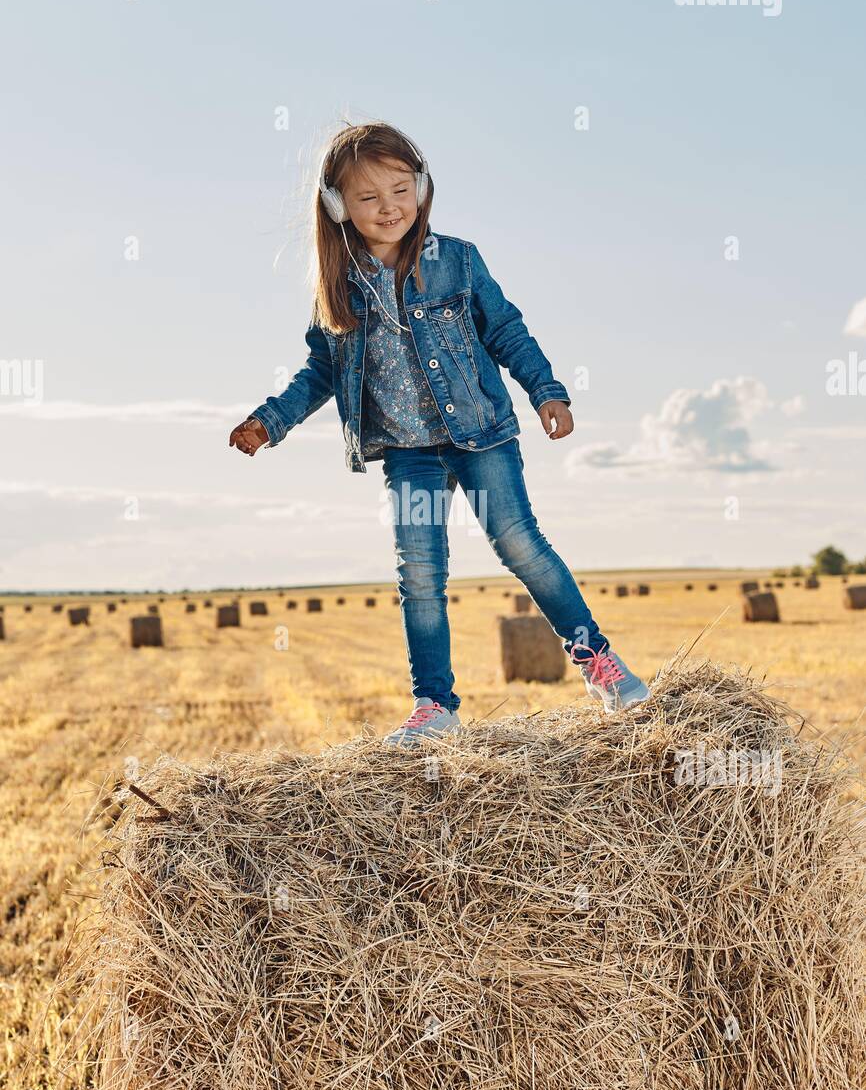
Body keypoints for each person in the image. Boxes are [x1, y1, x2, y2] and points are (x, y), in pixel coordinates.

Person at [230, 121, 650, 745]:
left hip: (482, 434)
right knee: (420, 573)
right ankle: (436, 706)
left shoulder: (457, 259)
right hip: (409, 453)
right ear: (338, 207)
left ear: (422, 189)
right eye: (368, 197)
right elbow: (320, 371)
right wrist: (271, 420)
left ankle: (598, 663)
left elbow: (506, 330)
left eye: (400, 189)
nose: (388, 207)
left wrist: (548, 390)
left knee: (521, 546)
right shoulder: (339, 290)